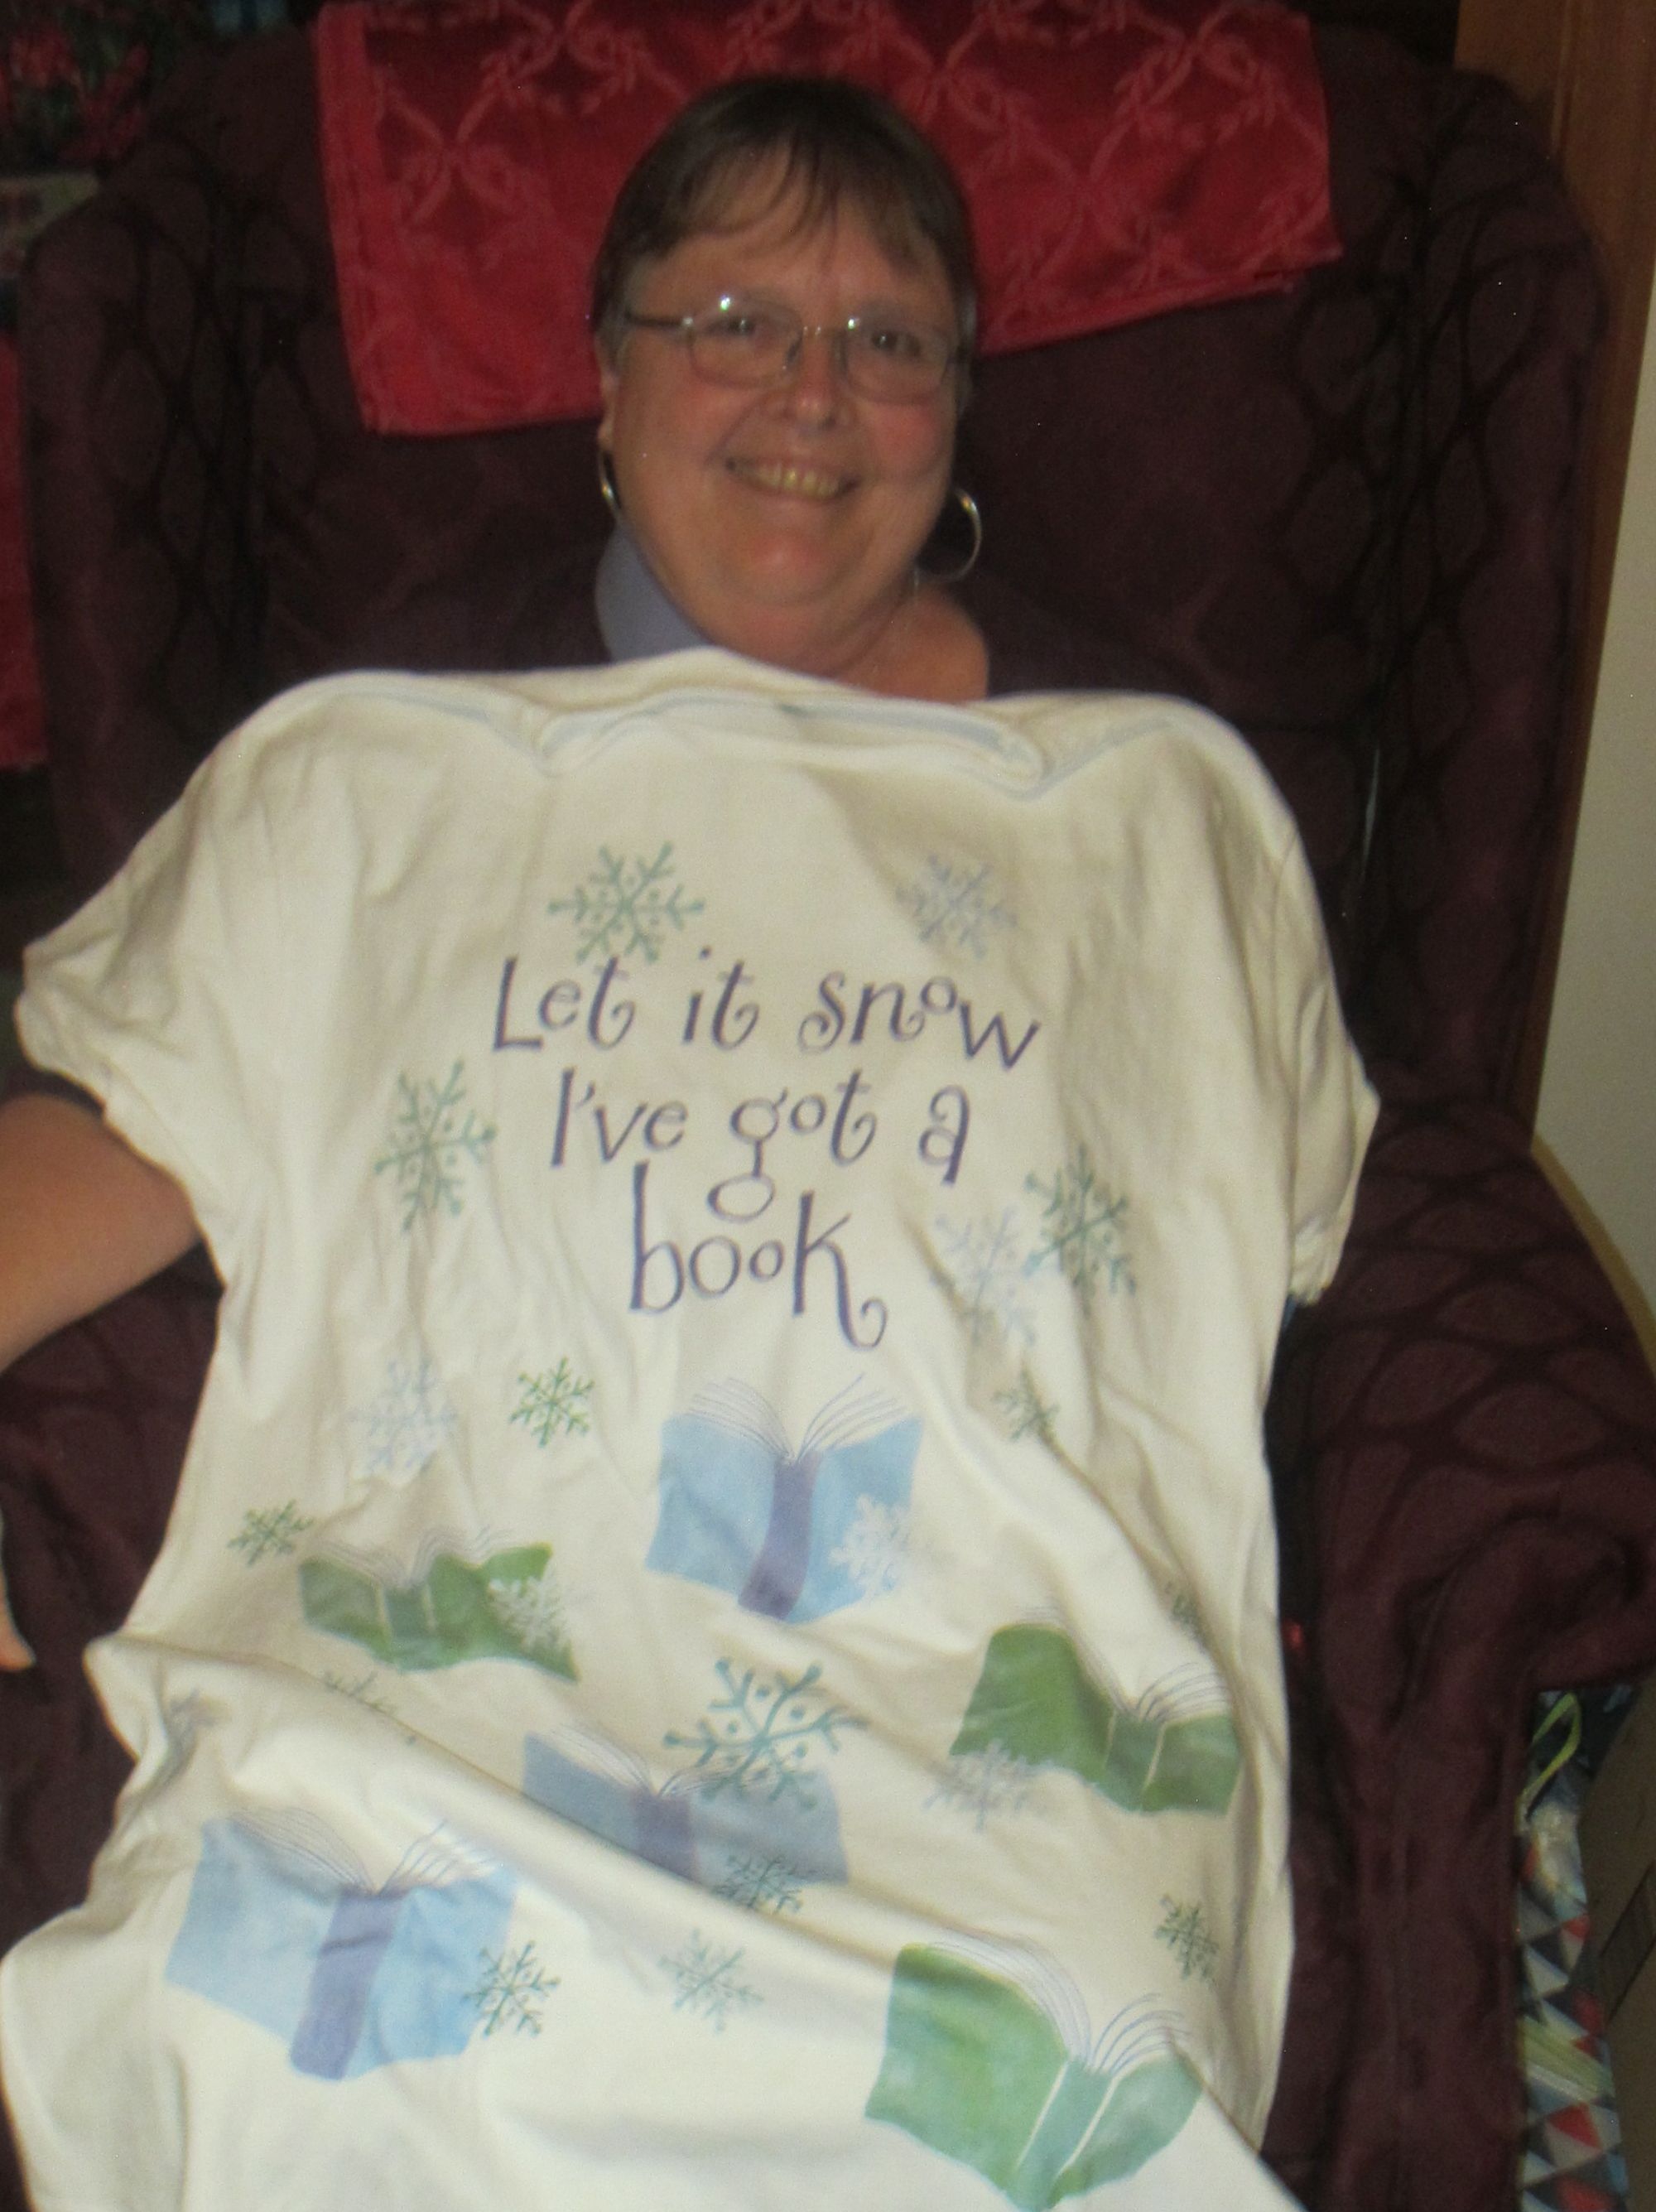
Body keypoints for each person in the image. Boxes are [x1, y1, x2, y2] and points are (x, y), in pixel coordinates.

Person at [0, 77, 1374, 2210]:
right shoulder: (390, 772)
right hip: (451, 1654)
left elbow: (1246, 1236)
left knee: (1061, 2062)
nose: (809, 393)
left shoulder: (1140, 812)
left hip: (979, 1691)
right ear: (606, 374)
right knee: (239, 2008)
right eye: (731, 317)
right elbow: (140, 1128)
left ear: (958, 410)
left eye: (886, 338)